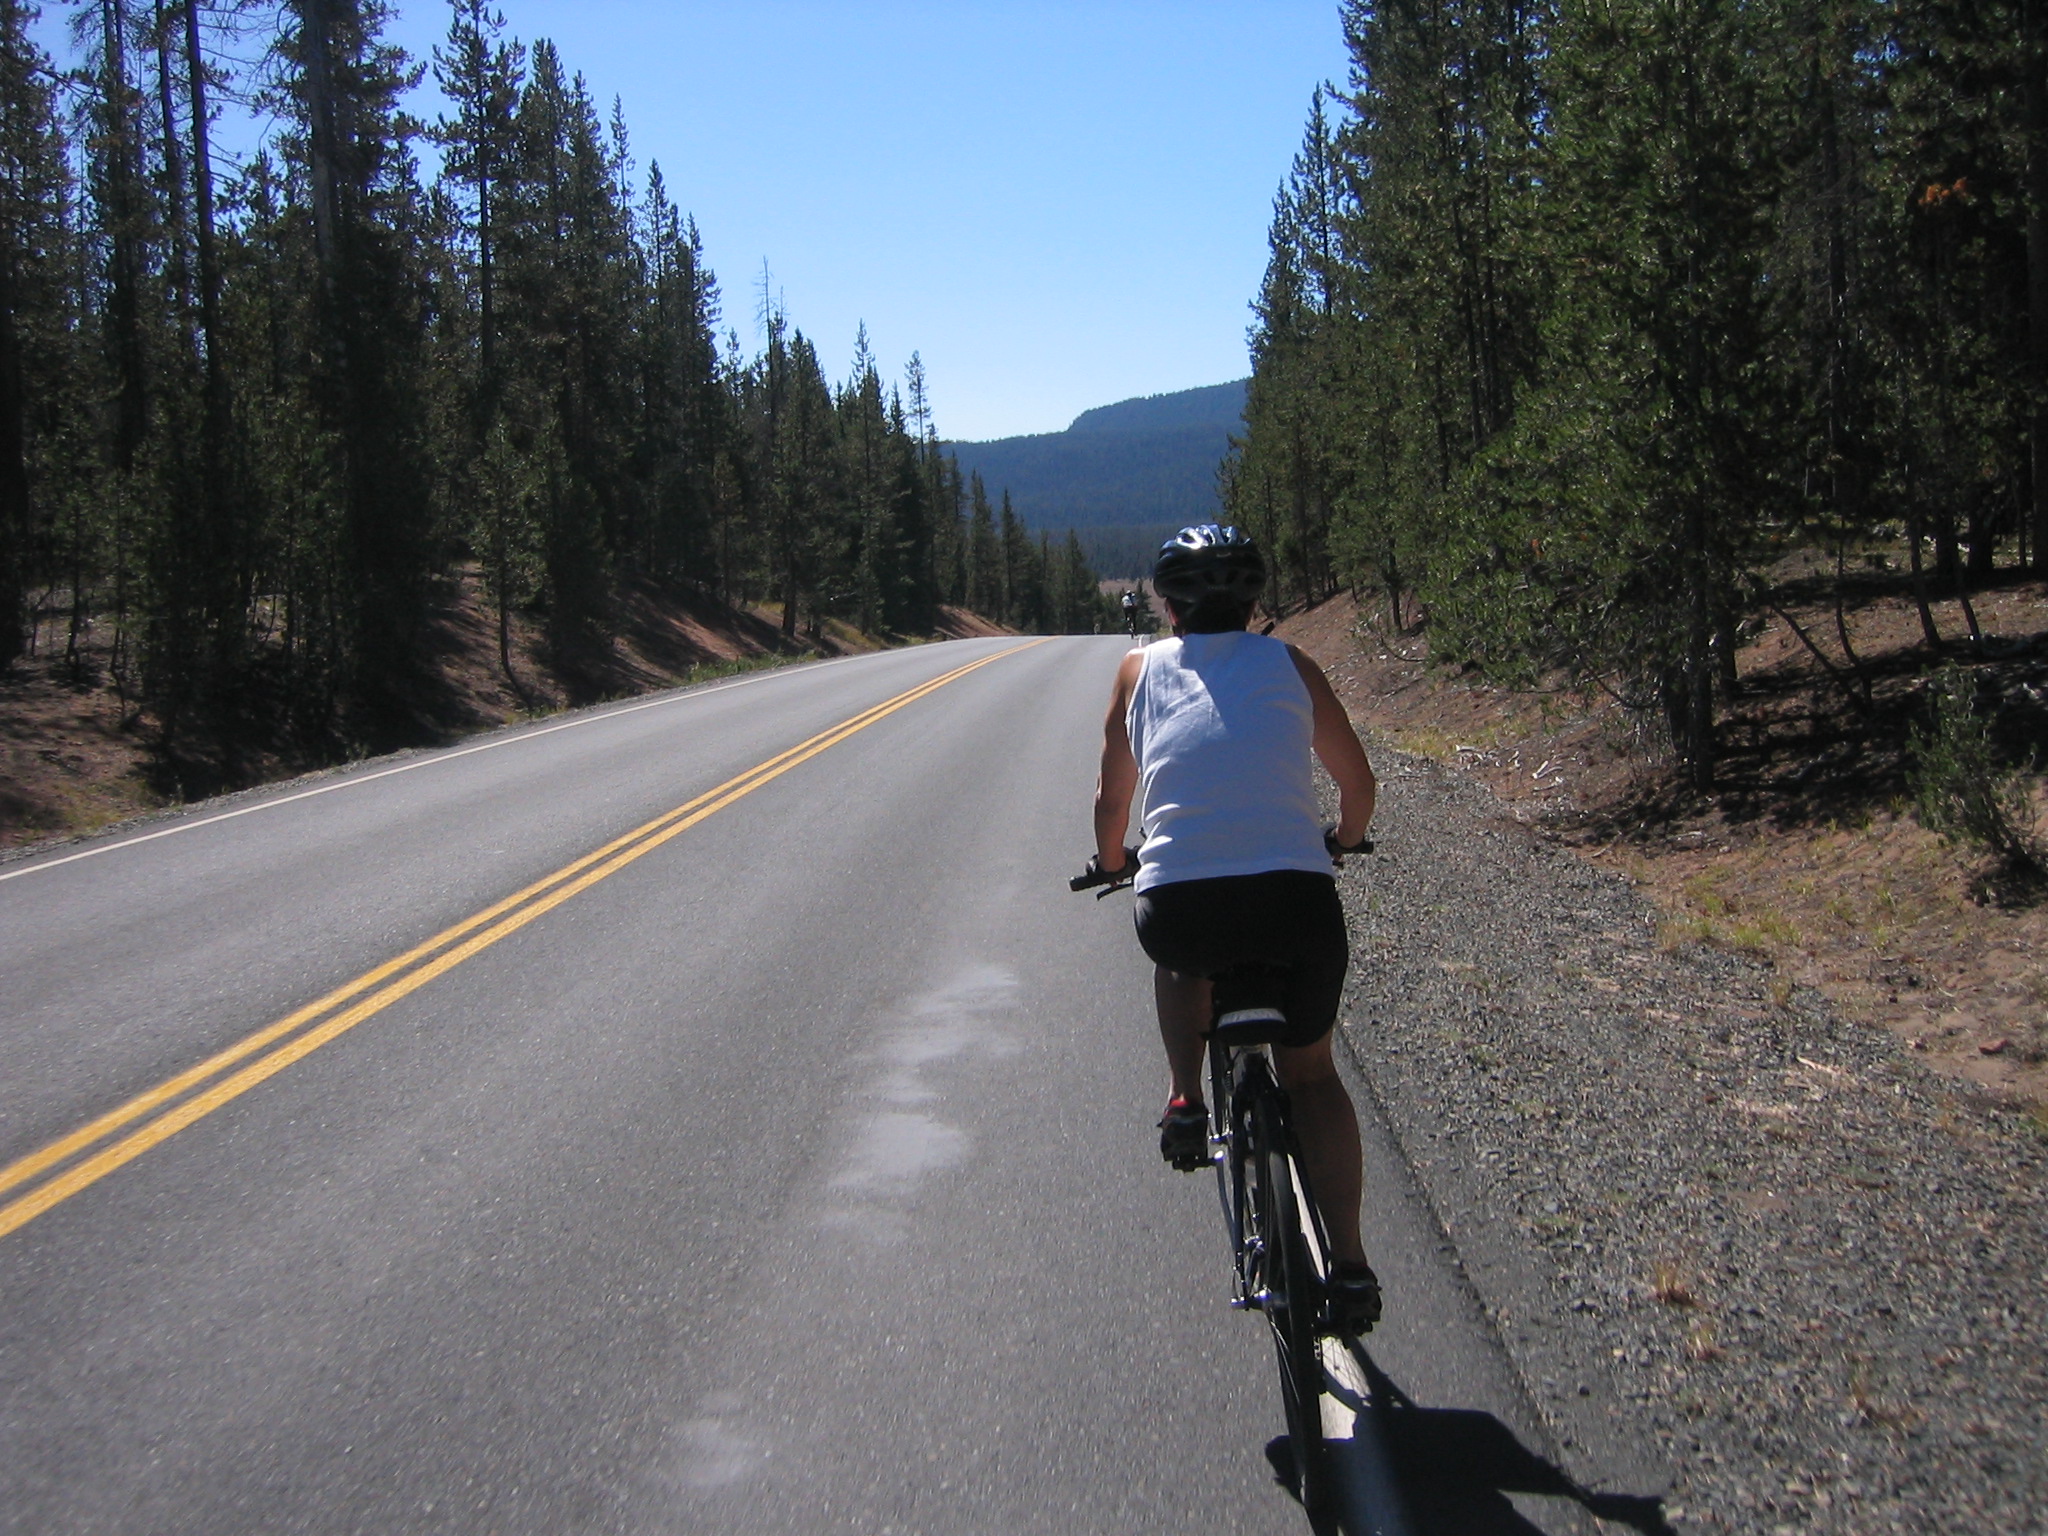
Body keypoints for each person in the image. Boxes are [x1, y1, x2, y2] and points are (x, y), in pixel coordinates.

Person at [1088, 524, 1382, 1334]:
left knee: (1180, 956)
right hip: (1298, 903)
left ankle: (1185, 1096)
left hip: (1186, 909)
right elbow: (1357, 784)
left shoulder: (1138, 669)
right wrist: (1346, 841)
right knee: (1313, 1076)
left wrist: (1116, 862)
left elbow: (1115, 797)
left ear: (1168, 603)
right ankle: (1351, 1269)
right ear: (1255, 602)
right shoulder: (1290, 665)